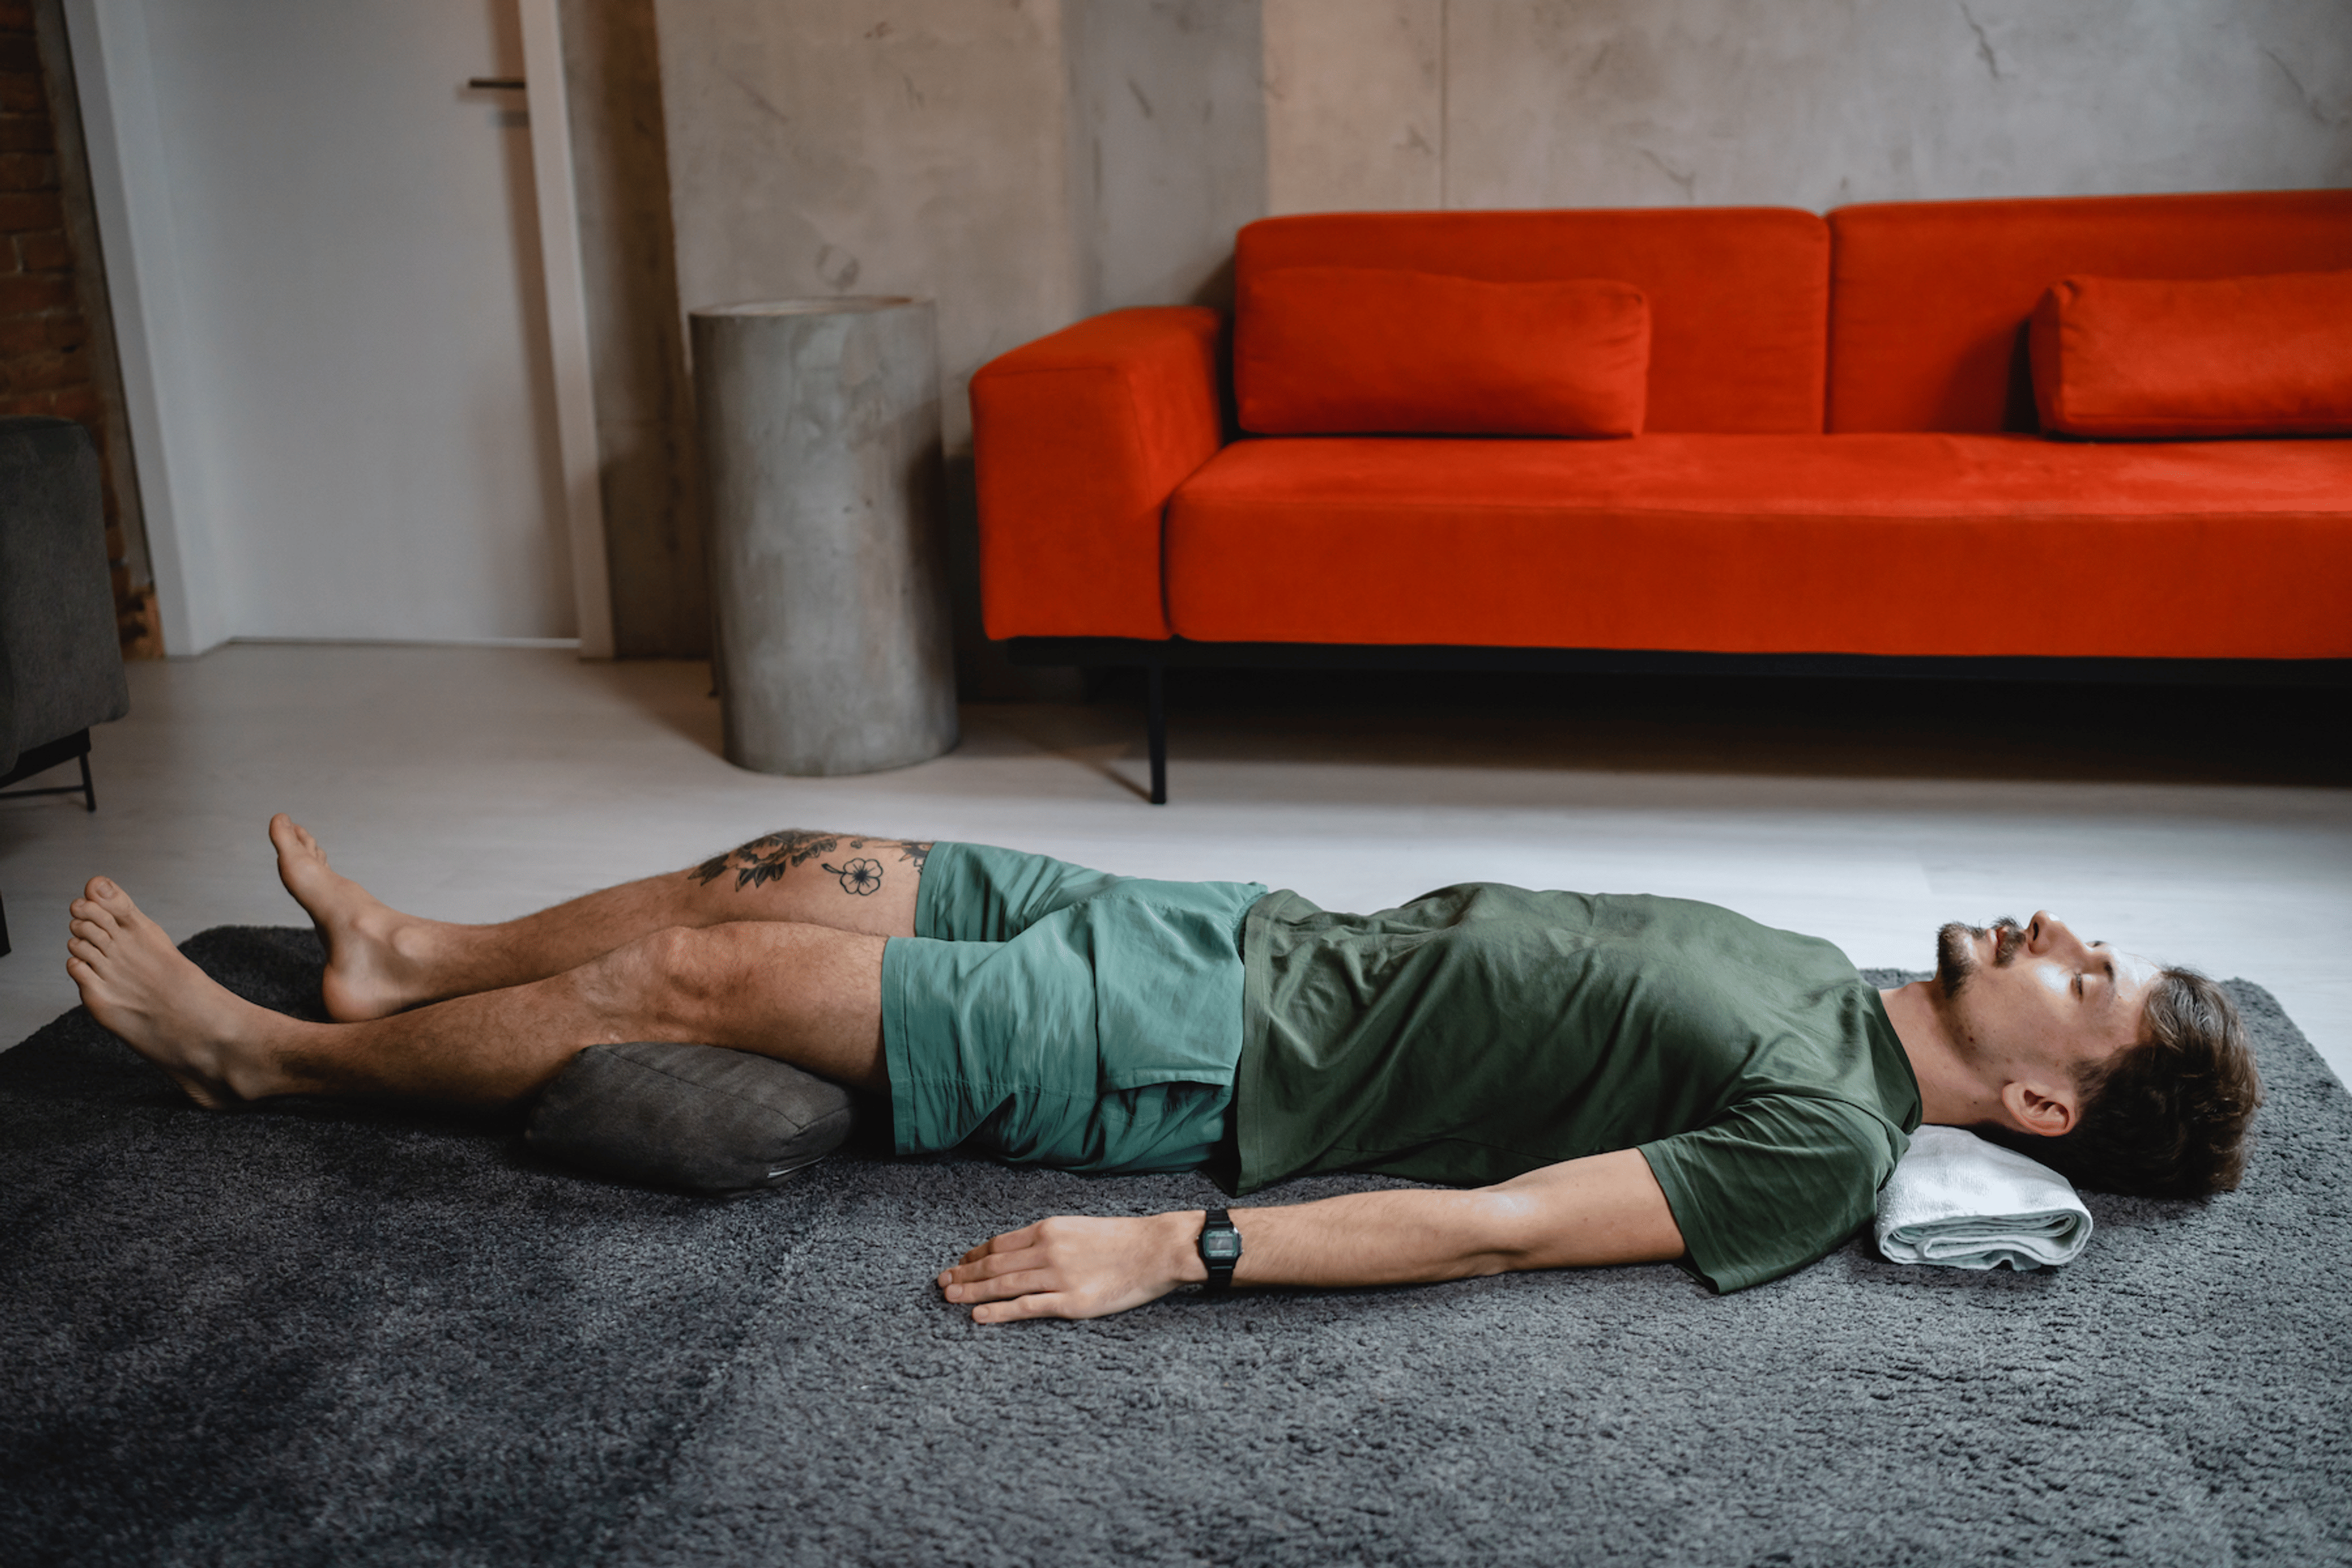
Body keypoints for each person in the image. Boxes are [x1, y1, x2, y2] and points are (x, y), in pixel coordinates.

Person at [64, 818, 2260, 1322]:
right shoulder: (1835, 969)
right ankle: (405, 960)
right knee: (807, 857)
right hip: (1228, 929)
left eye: (2095, 980)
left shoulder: (1818, 1142)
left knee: (729, 974)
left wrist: (1178, 1251)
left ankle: (262, 1064)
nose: (2062, 937)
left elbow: (1502, 1227)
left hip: (1191, 1056)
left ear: (2049, 1105)